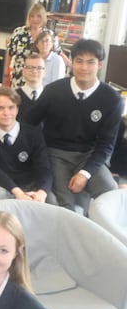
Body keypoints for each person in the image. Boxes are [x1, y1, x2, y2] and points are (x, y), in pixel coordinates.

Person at [24, 39, 123, 210]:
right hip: (55, 154)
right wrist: (36, 153)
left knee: (111, 196)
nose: (84, 67)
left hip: (89, 155)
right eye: (79, 61)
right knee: (65, 205)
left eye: (90, 62)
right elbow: (27, 123)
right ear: (71, 62)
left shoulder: (112, 99)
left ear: (100, 64)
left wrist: (85, 173)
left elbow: (106, 145)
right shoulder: (54, 91)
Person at [0, 87, 53, 203]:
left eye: (11, 107)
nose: (6, 113)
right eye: (0, 108)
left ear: (17, 109)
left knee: (52, 203)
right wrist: (17, 192)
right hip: (5, 188)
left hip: (33, 187)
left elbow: (44, 167)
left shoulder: (33, 133)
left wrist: (41, 192)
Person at [4, 3, 60, 88]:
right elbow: (10, 52)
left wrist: (71, 64)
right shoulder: (19, 32)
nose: (35, 19)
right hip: (19, 78)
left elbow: (58, 52)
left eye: (38, 16)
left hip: (38, 80)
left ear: (43, 18)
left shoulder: (49, 35)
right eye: (32, 16)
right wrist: (6, 72)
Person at [15, 53, 46, 120]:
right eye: (30, 67)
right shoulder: (13, 97)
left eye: (39, 68)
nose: (34, 71)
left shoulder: (51, 98)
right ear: (23, 71)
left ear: (44, 72)